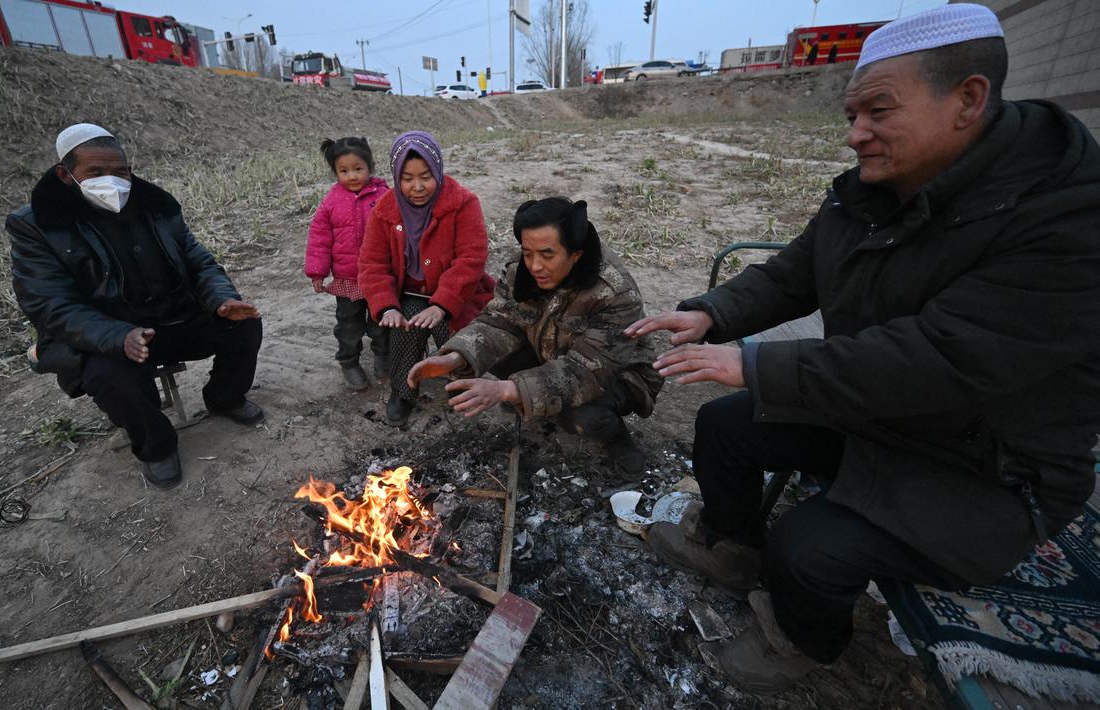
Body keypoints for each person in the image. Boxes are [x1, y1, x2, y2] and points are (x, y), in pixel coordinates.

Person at [626, 4, 1100, 693]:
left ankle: (803, 641)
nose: (855, 136)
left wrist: (754, 364)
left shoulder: (1064, 218)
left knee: (809, 546)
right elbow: (796, 271)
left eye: (876, 112)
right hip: (883, 415)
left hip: (986, 465)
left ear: (968, 98)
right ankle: (729, 548)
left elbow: (938, 357)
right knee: (725, 425)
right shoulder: (874, 191)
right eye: (851, 116)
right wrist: (710, 315)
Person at [8, 124, 264, 490]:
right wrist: (117, 335)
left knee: (243, 324)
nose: (111, 181)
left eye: (120, 171)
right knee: (112, 376)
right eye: (95, 173)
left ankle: (225, 398)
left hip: (171, 317)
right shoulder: (37, 224)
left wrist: (221, 299)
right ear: (66, 175)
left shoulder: (155, 205)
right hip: (104, 334)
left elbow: (199, 263)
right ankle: (156, 446)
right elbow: (49, 304)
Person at [408, 198, 663, 479]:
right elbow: (500, 321)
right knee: (490, 351)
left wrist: (507, 390)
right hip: (552, 350)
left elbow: (585, 373)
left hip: (617, 375)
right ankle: (534, 399)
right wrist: (454, 357)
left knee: (581, 417)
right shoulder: (522, 270)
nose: (535, 266)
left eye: (547, 254)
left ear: (576, 254)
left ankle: (618, 440)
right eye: (527, 252)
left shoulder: (614, 292)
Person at [358, 131, 495, 427]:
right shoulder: (383, 210)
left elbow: (471, 259)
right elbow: (372, 264)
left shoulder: (463, 203)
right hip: (407, 294)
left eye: (425, 176)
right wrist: (387, 306)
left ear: (438, 170)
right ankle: (403, 390)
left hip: (456, 294)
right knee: (406, 325)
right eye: (407, 178)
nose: (417, 187)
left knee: (452, 331)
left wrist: (443, 304)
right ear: (396, 177)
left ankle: (464, 387)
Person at [305, 137, 390, 391]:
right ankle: (349, 361)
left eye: (358, 169)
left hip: (379, 278)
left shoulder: (385, 196)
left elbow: (398, 232)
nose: (352, 175)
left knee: (381, 323)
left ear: (370, 167)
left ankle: (382, 356)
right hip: (347, 279)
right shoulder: (332, 201)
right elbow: (319, 238)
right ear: (336, 172)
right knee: (349, 325)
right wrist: (317, 272)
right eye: (344, 171)